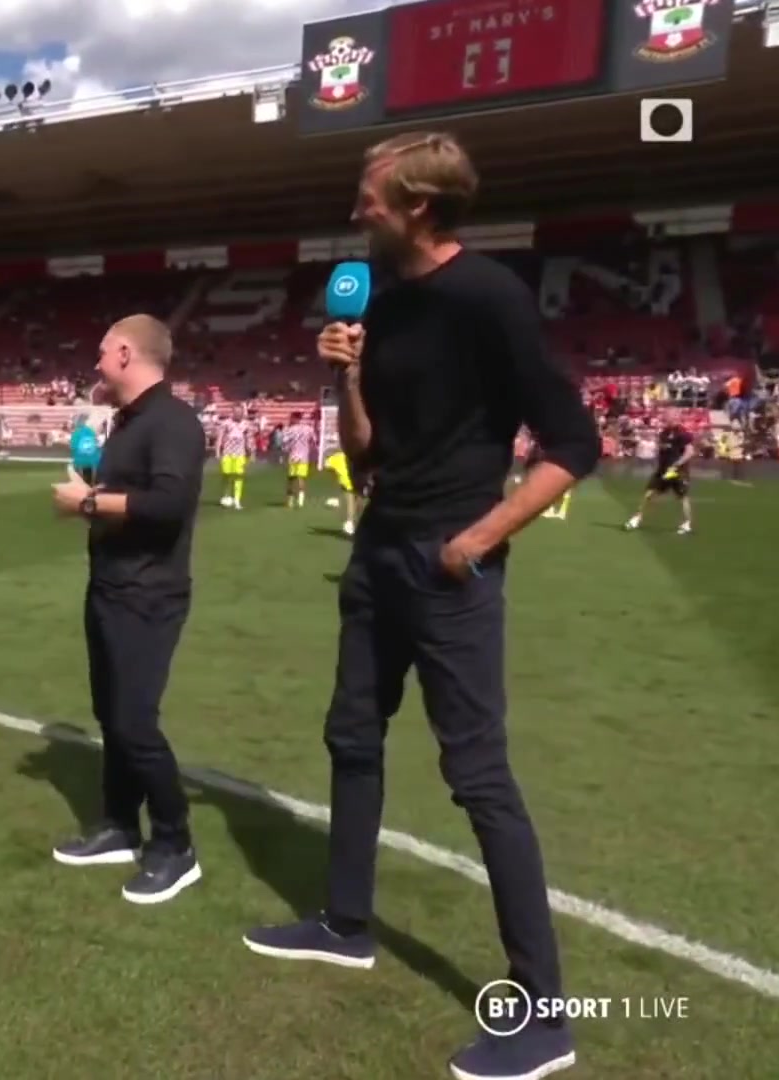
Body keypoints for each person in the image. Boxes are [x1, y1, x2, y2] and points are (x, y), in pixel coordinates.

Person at [239, 132, 599, 1080]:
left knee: (478, 775)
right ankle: (345, 923)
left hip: (451, 565)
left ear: (420, 207)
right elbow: (364, 455)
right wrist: (345, 372)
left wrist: (479, 539)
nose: (355, 211)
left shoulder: (489, 297)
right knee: (351, 734)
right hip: (379, 548)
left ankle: (545, 1014)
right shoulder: (380, 297)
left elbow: (574, 442)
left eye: (370, 198)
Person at [48, 314, 206, 905]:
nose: (94, 364)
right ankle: (119, 825)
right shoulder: (127, 422)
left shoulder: (174, 421)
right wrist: (94, 486)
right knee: (111, 715)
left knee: (136, 722)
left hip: (150, 593)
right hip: (110, 586)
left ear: (123, 353)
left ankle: (175, 844)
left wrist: (88, 503)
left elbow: (169, 503)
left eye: (100, 352)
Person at [624, 420, 694, 534]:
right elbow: (662, 450)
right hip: (663, 470)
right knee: (649, 493)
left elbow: (689, 452)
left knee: (682, 497)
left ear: (676, 416)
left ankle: (687, 523)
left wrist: (677, 464)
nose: (667, 417)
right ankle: (637, 518)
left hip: (677, 471)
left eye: (670, 414)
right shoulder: (663, 433)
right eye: (666, 415)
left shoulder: (683, 433)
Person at [215, 405, 251, 508]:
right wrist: (217, 452)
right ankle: (226, 495)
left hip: (240, 454)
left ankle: (237, 500)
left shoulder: (246, 424)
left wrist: (250, 452)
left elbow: (247, 439)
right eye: (237, 412)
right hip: (227, 453)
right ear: (233, 412)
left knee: (238, 476)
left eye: (240, 412)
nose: (239, 414)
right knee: (226, 475)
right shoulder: (226, 423)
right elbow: (220, 438)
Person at [284, 411, 317, 509]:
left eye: (291, 418)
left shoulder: (290, 430)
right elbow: (314, 441)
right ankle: (301, 501)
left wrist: (287, 448)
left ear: (294, 418)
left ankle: (290, 501)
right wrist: (309, 449)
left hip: (293, 457)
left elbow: (285, 443)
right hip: (304, 457)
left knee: (291, 479)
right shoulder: (308, 429)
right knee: (301, 478)